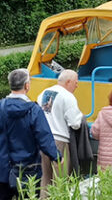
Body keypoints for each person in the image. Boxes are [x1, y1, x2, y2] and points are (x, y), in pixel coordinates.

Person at [0, 69, 59, 200]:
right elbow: (44, 137)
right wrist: (56, 156)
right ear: (27, 86)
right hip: (29, 169)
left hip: (3, 168)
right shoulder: (34, 110)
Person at [35, 70, 84, 199]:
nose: (77, 86)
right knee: (60, 181)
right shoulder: (68, 97)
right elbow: (75, 123)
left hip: (42, 141)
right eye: (76, 83)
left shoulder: (43, 93)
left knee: (45, 180)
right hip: (59, 142)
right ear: (68, 82)